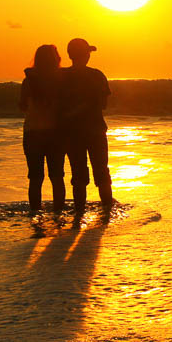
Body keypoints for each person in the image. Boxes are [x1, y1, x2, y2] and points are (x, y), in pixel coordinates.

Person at [59, 38, 114, 216]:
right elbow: (103, 104)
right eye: (88, 52)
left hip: (71, 132)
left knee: (78, 174)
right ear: (86, 55)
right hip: (95, 130)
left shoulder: (61, 76)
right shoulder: (97, 75)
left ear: (70, 55)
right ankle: (107, 210)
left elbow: (55, 104)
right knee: (101, 171)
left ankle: (79, 212)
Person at [20, 44, 66, 214]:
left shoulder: (29, 81)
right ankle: (58, 213)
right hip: (55, 132)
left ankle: (35, 213)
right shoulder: (61, 80)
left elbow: (22, 105)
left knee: (35, 177)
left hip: (32, 132)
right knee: (57, 176)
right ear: (56, 59)